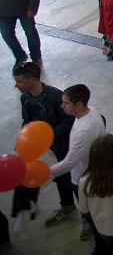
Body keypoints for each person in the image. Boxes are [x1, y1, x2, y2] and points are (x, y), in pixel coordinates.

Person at [12, 61, 75, 228]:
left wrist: (48, 136)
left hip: (62, 147)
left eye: (19, 81)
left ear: (32, 80)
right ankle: (67, 206)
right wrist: (23, 138)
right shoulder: (24, 98)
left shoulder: (55, 97)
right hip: (45, 151)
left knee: (72, 180)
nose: (16, 85)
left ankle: (87, 216)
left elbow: (69, 120)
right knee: (58, 179)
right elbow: (27, 121)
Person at [49, 84, 109, 244]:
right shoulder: (92, 111)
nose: (62, 106)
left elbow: (69, 163)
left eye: (66, 103)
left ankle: (102, 244)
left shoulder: (84, 130)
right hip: (94, 170)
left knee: (92, 214)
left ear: (79, 105)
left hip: (85, 176)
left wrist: (45, 172)